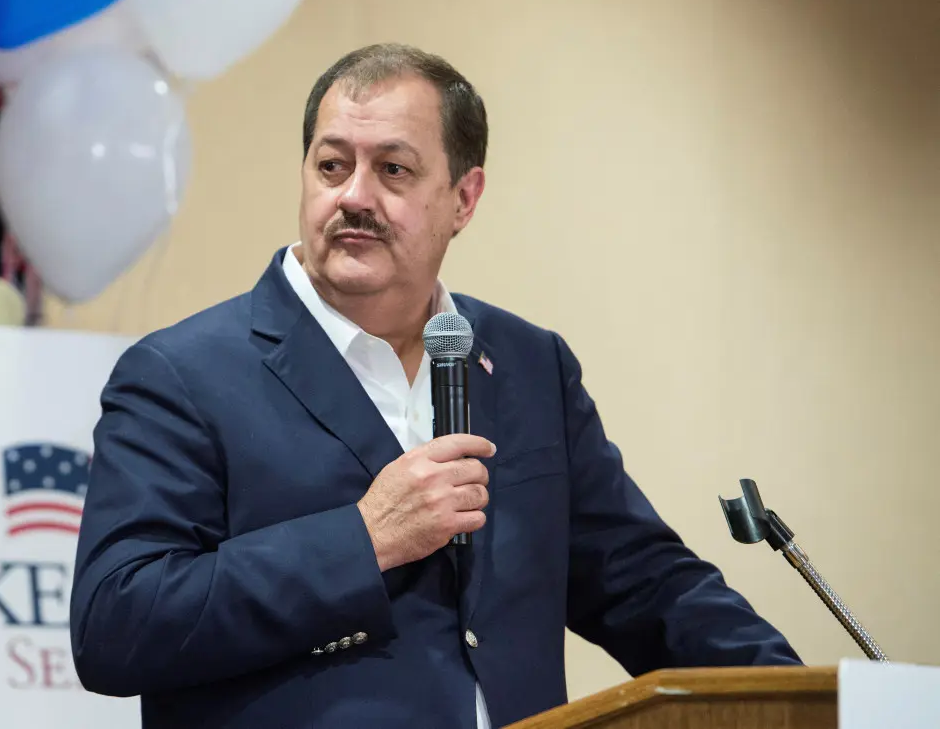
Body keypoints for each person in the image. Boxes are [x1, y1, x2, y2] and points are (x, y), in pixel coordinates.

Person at [69, 43, 801, 729]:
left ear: (464, 197)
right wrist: (362, 538)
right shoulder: (182, 374)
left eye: (393, 169)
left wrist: (808, 694)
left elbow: (643, 582)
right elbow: (116, 622)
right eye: (331, 166)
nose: (354, 196)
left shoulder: (528, 364)